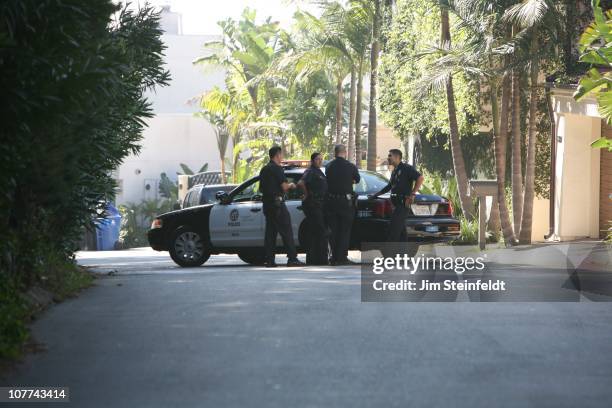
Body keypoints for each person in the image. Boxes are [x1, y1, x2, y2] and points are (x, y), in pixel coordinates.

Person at [259, 146, 305, 267]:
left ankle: (269, 260)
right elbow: (284, 187)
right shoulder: (277, 169)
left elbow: (261, 189)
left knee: (270, 233)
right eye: (281, 155)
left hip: (267, 204)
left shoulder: (264, 169)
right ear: (277, 155)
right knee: (287, 230)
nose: (282, 157)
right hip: (277, 204)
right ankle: (292, 258)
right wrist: (291, 185)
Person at [370, 149, 424, 242]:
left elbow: (420, 178)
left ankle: (391, 255)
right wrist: (375, 195)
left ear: (397, 157)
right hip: (396, 204)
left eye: (390, 155)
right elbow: (389, 186)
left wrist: (413, 194)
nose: (388, 158)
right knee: (401, 234)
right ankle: (403, 255)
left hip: (403, 204)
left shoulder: (407, 168)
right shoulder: (394, 171)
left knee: (393, 232)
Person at [325, 144, 360, 265]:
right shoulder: (350, 166)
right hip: (345, 202)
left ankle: (333, 257)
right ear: (344, 152)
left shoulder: (328, 166)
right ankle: (342, 257)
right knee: (345, 230)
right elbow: (358, 179)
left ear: (335, 153)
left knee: (333, 230)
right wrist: (349, 180)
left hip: (331, 202)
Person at [298, 152, 329, 265]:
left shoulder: (319, 171)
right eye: (317, 159)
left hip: (319, 204)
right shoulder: (310, 171)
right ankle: (321, 259)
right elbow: (301, 183)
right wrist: (306, 194)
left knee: (315, 233)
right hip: (313, 204)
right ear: (312, 161)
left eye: (321, 159)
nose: (320, 161)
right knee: (320, 232)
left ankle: (314, 259)